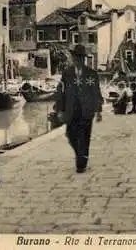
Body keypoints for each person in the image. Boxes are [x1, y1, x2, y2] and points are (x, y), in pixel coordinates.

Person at [55, 44, 103, 173]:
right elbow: (61, 92)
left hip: (87, 111)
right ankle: (80, 154)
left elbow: (96, 92)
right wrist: (59, 109)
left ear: (83, 59)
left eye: (80, 58)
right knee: (70, 135)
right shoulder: (67, 73)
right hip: (71, 110)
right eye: (75, 57)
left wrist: (98, 110)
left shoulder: (91, 74)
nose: (77, 60)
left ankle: (81, 163)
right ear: (73, 58)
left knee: (84, 136)